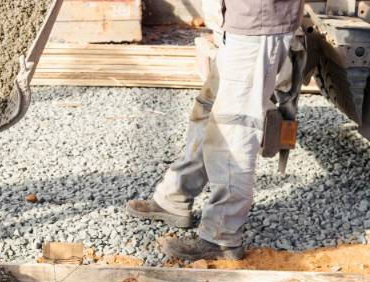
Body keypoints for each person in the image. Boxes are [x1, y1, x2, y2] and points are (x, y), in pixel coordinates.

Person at [126, 0, 305, 261]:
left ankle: (222, 237)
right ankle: (175, 197)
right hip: (236, 23)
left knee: (233, 134)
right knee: (207, 114)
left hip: (256, 26)